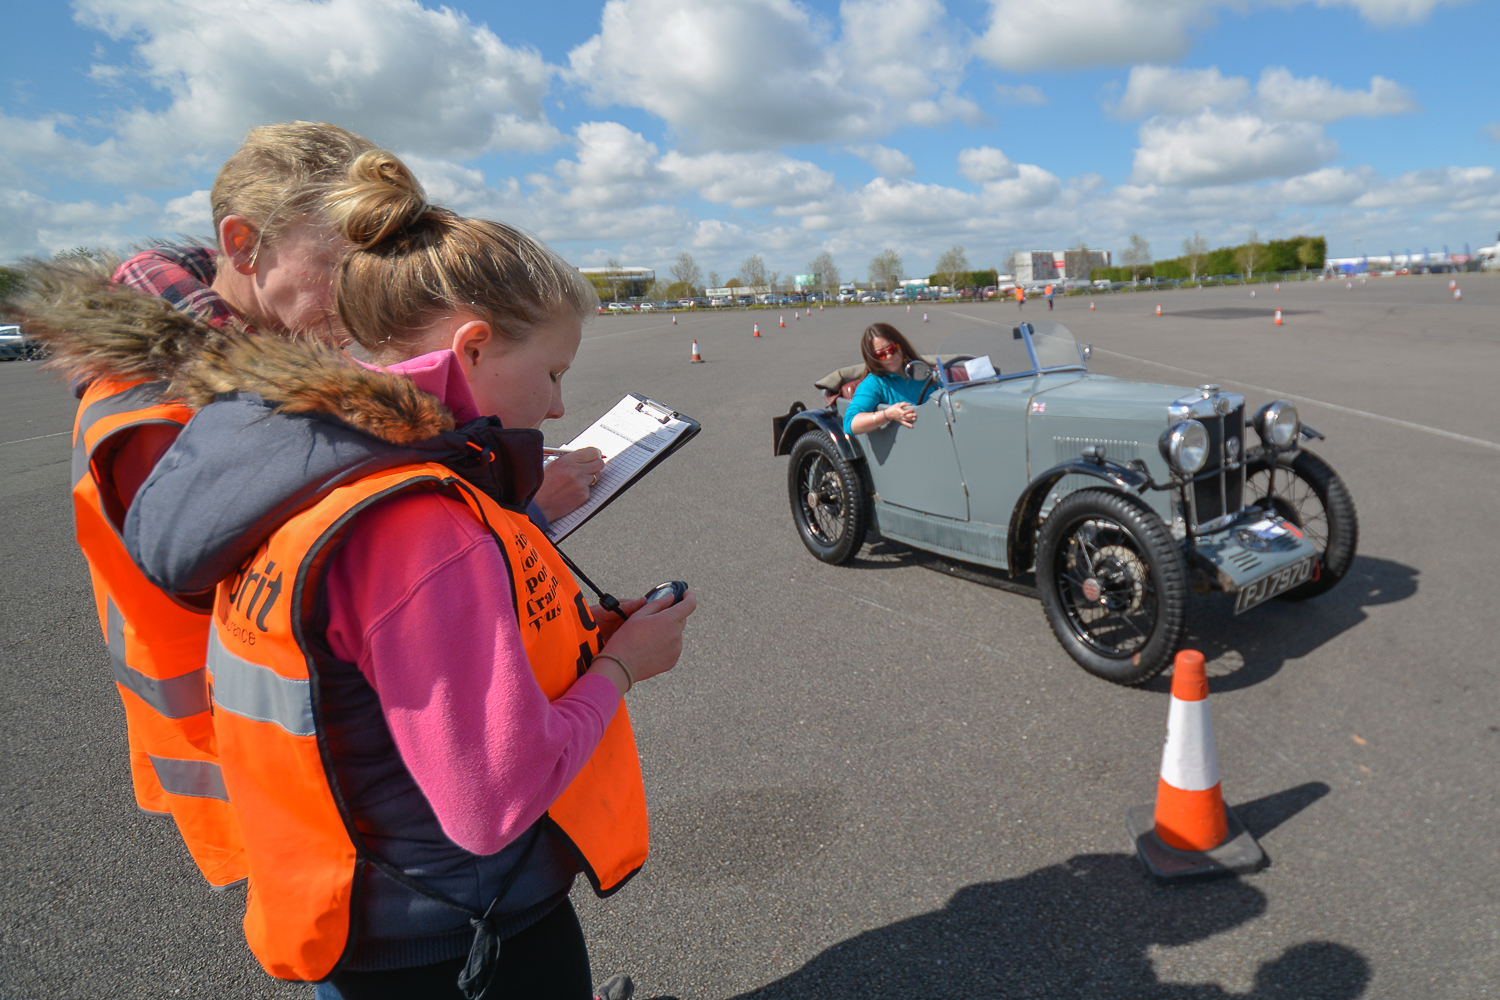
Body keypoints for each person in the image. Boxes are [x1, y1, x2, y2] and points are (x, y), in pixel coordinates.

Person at [122, 151, 695, 1000]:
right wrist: (623, 666)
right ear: (471, 345)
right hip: (465, 939)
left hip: (354, 914)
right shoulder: (421, 522)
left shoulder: (297, 462)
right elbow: (493, 801)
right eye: (553, 372)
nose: (558, 407)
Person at [844, 322, 927, 435]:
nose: (889, 356)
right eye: (881, 354)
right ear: (873, 358)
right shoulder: (874, 383)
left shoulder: (920, 370)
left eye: (893, 349)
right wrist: (887, 415)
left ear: (901, 346)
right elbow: (850, 423)